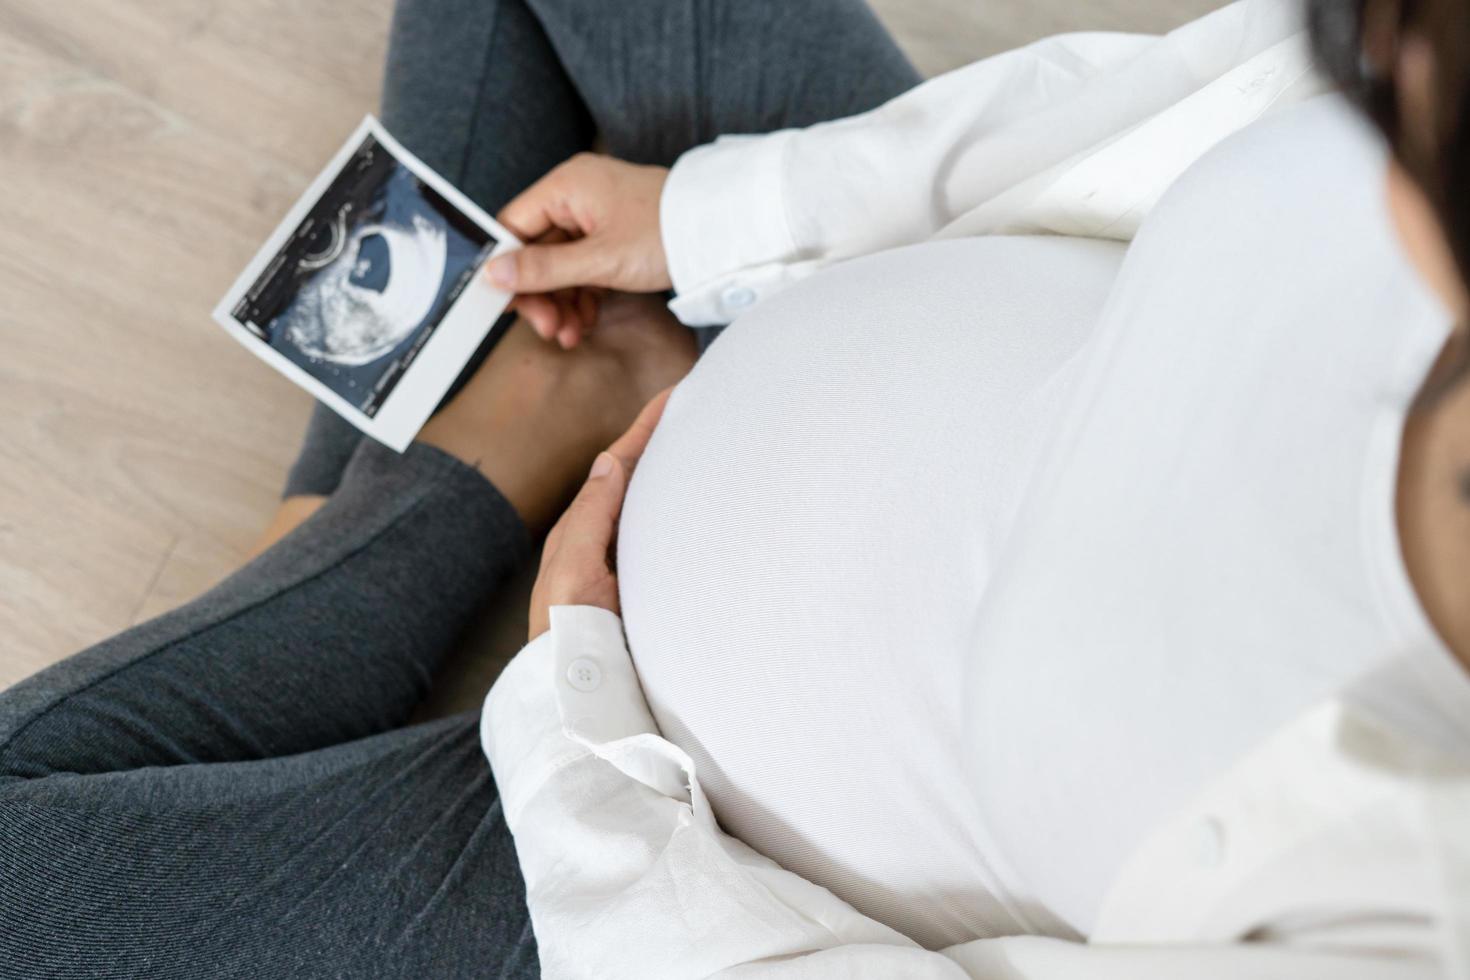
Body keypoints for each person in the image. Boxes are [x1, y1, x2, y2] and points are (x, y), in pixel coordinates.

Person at [2, 0, 1467, 978]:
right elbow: (1143, 117)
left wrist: (573, 709)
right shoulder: (1421, 64)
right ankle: (368, 549)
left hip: (664, 819)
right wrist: (717, 215)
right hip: (883, 272)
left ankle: (424, 499)